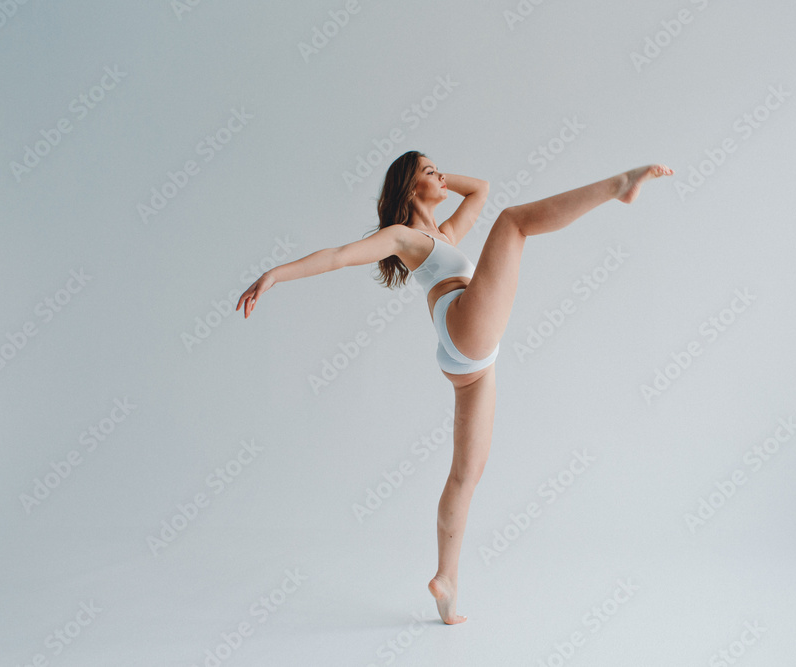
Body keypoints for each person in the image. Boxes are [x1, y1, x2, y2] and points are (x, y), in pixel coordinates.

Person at [237, 151, 673, 624]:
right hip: (465, 327)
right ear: (408, 190)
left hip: (468, 359)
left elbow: (481, 187)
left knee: (467, 474)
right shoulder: (403, 237)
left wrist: (436, 175)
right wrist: (275, 275)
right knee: (513, 223)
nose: (442, 177)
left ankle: (447, 585)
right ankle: (619, 184)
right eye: (430, 172)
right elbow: (339, 257)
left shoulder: (443, 235)